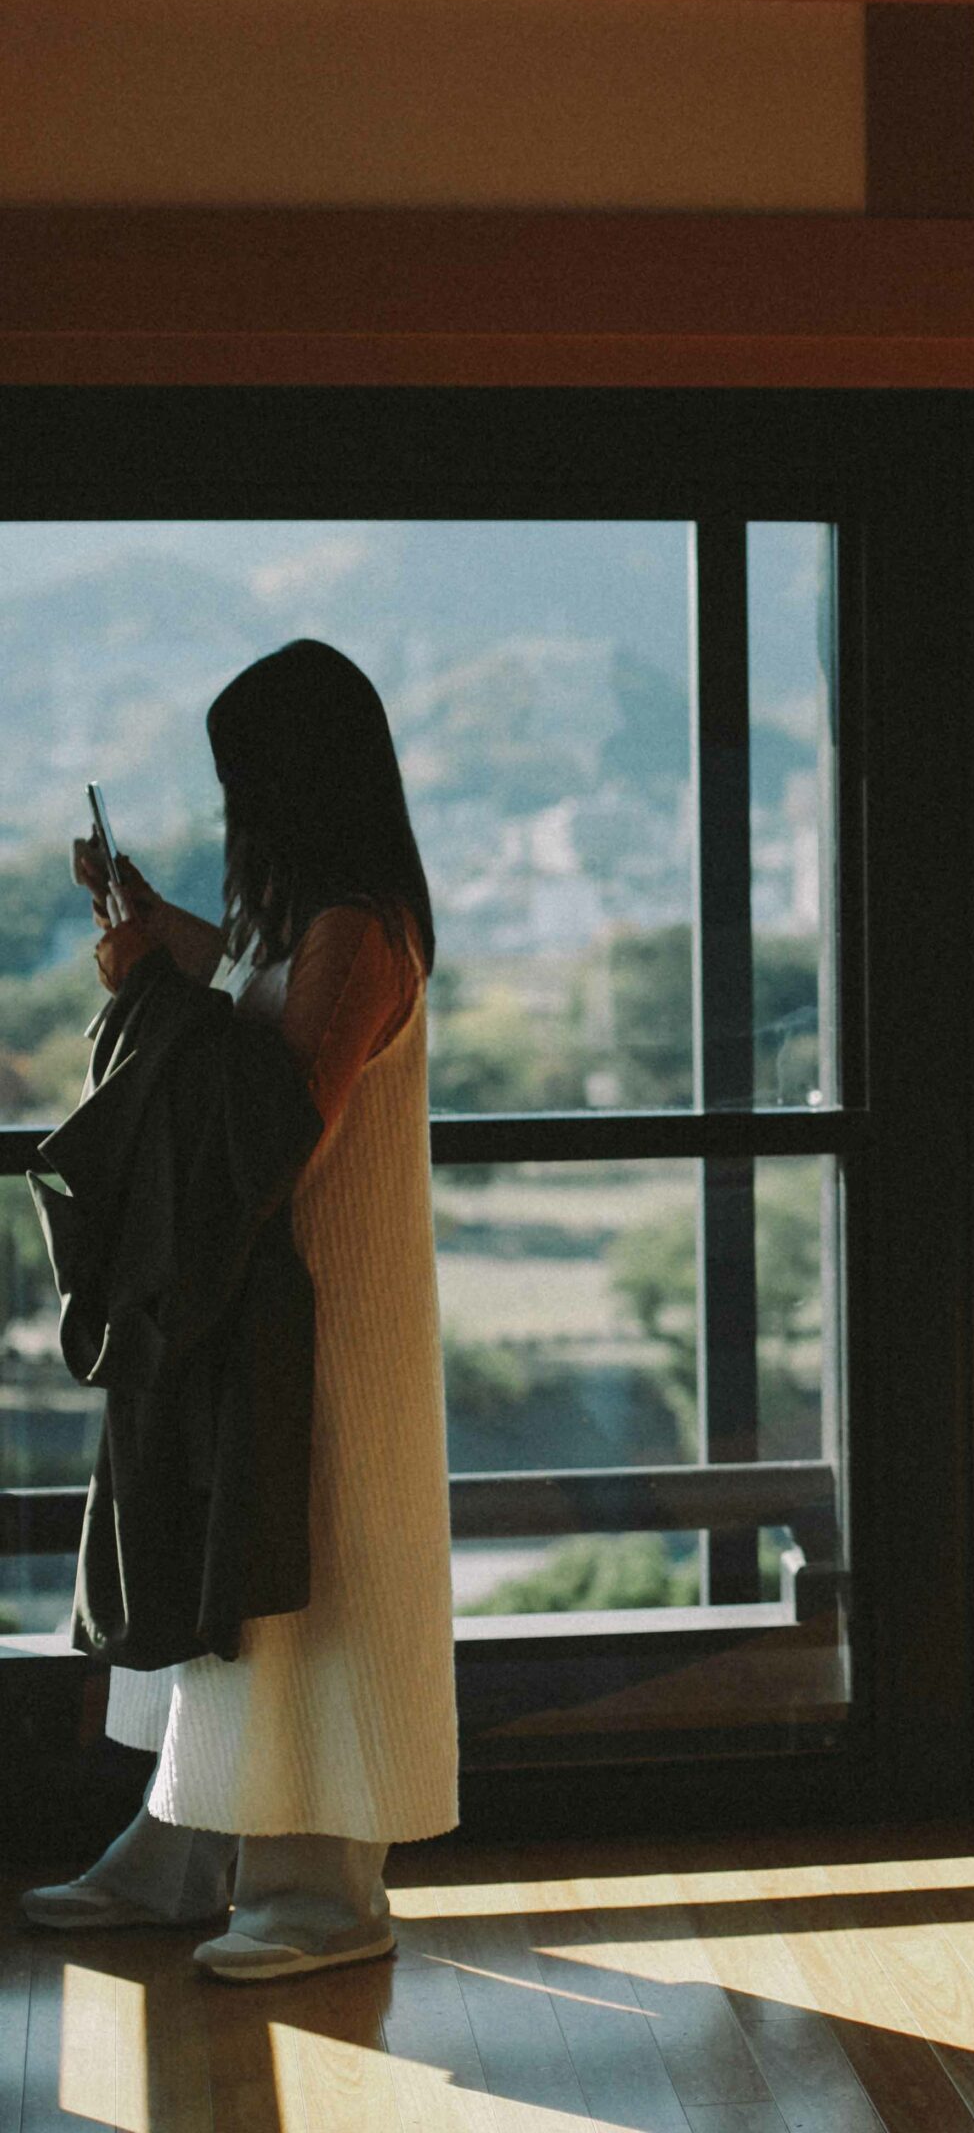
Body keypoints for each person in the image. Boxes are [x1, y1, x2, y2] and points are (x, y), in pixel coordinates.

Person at [17, 638, 458, 1983]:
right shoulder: (316, 918)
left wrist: (156, 990)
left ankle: (322, 1891)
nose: (234, 808)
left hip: (334, 1309)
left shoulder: (360, 931)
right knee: (244, 1573)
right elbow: (252, 1006)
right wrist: (155, 930)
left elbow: (279, 1122)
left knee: (312, 1582)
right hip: (275, 1303)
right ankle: (190, 1848)